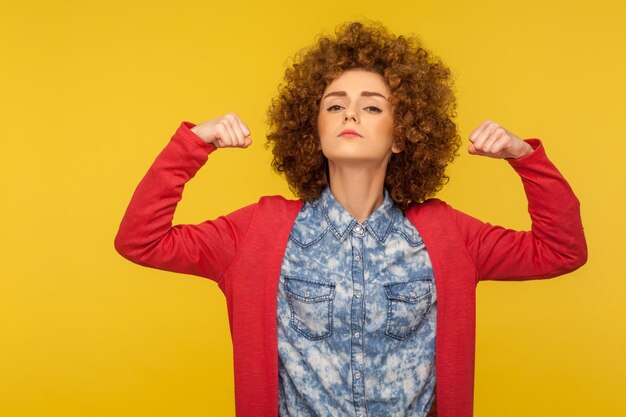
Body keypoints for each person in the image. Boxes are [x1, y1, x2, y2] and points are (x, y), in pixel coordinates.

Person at [114, 21, 587, 417]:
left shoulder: (448, 235)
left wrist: (522, 156)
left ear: (401, 135)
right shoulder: (257, 232)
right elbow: (141, 240)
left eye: (373, 106)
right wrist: (195, 143)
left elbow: (561, 251)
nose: (351, 113)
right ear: (313, 129)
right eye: (335, 104)